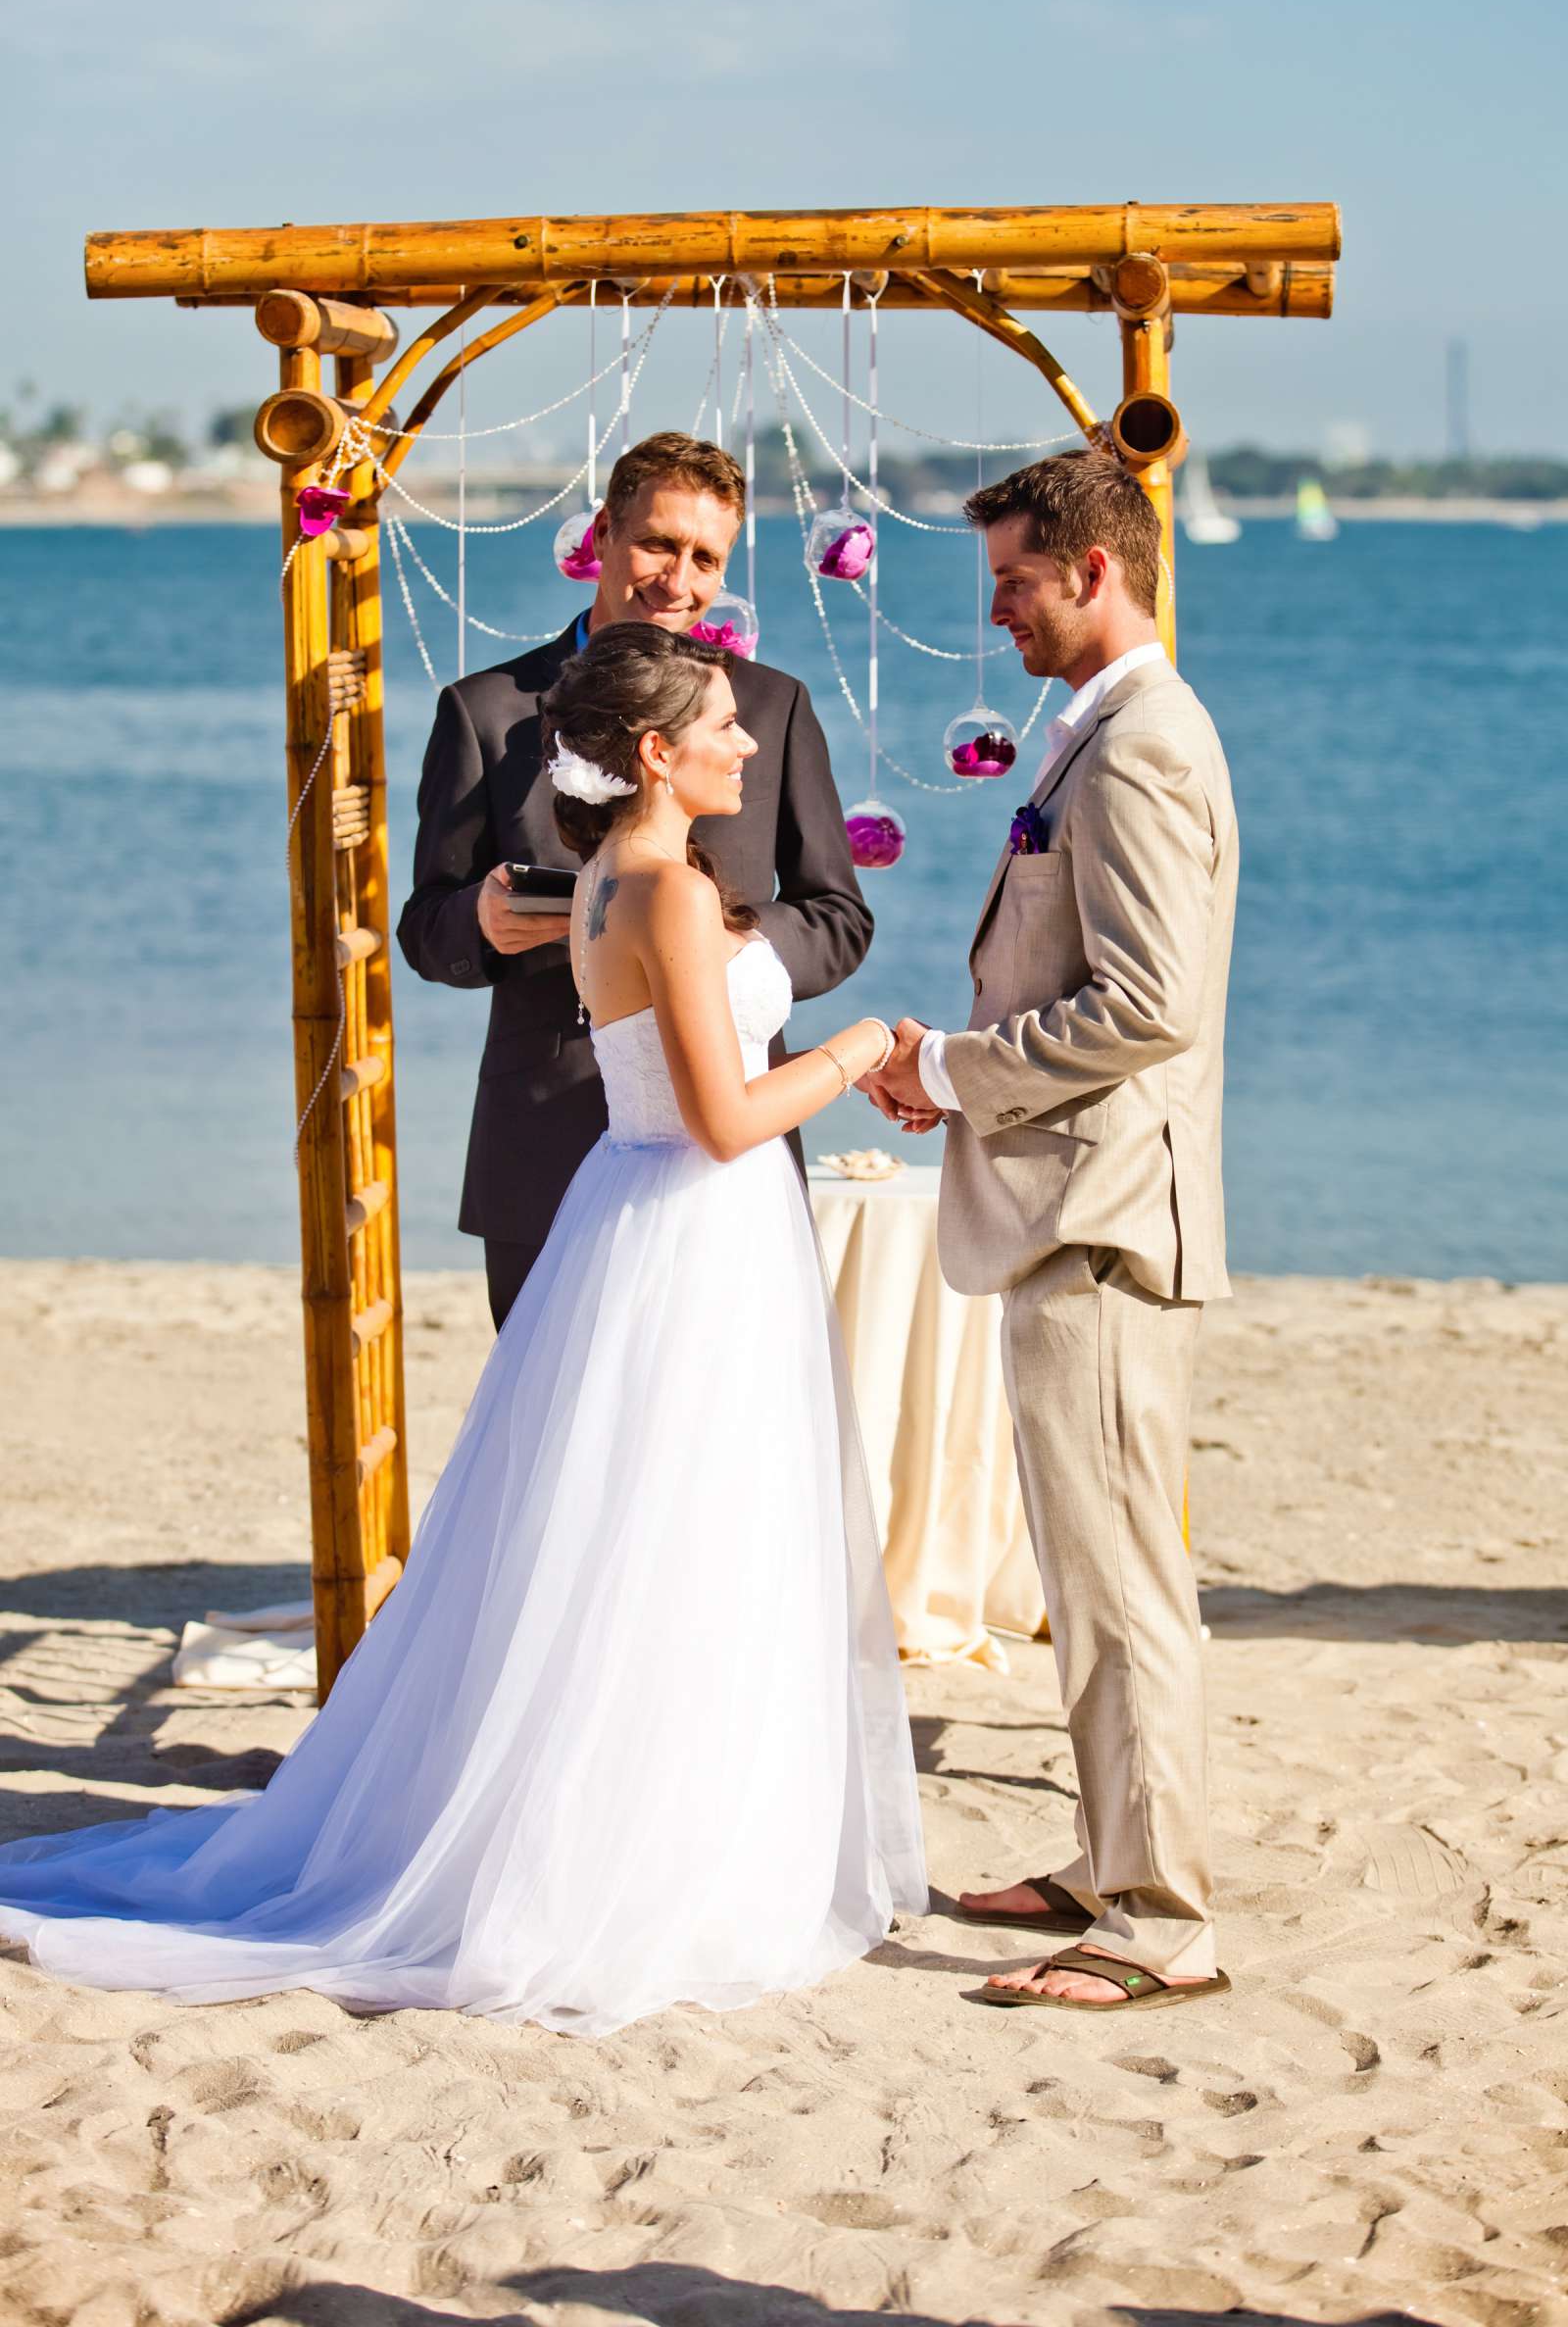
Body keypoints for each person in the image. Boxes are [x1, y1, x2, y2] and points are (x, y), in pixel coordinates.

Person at [0, 623, 927, 2037]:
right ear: (659, 752)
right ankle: (641, 1861)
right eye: (725, 725)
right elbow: (727, 1121)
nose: (752, 741)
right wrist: (858, 1054)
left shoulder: (626, 869)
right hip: (687, 1225)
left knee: (653, 1544)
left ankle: (670, 1828)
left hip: (657, 1222)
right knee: (672, 1542)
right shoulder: (663, 888)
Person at [867, 450, 1237, 2013]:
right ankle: (1104, 1860)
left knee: (1121, 1580)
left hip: (1100, 1219)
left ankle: (1158, 1921)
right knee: (1091, 1573)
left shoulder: (1144, 742)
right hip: (1067, 1206)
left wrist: (956, 1073)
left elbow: (1147, 1005)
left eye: (1016, 580)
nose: (998, 612)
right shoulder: (1101, 732)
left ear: (1097, 569)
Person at [397, 429, 872, 1330]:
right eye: (659, 543)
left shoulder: (769, 707)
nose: (678, 580)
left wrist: (709, 949)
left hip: (722, 1158)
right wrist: (482, 925)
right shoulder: (485, 711)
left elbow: (839, 916)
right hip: (542, 1142)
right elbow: (426, 929)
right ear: (604, 533)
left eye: (706, 559)